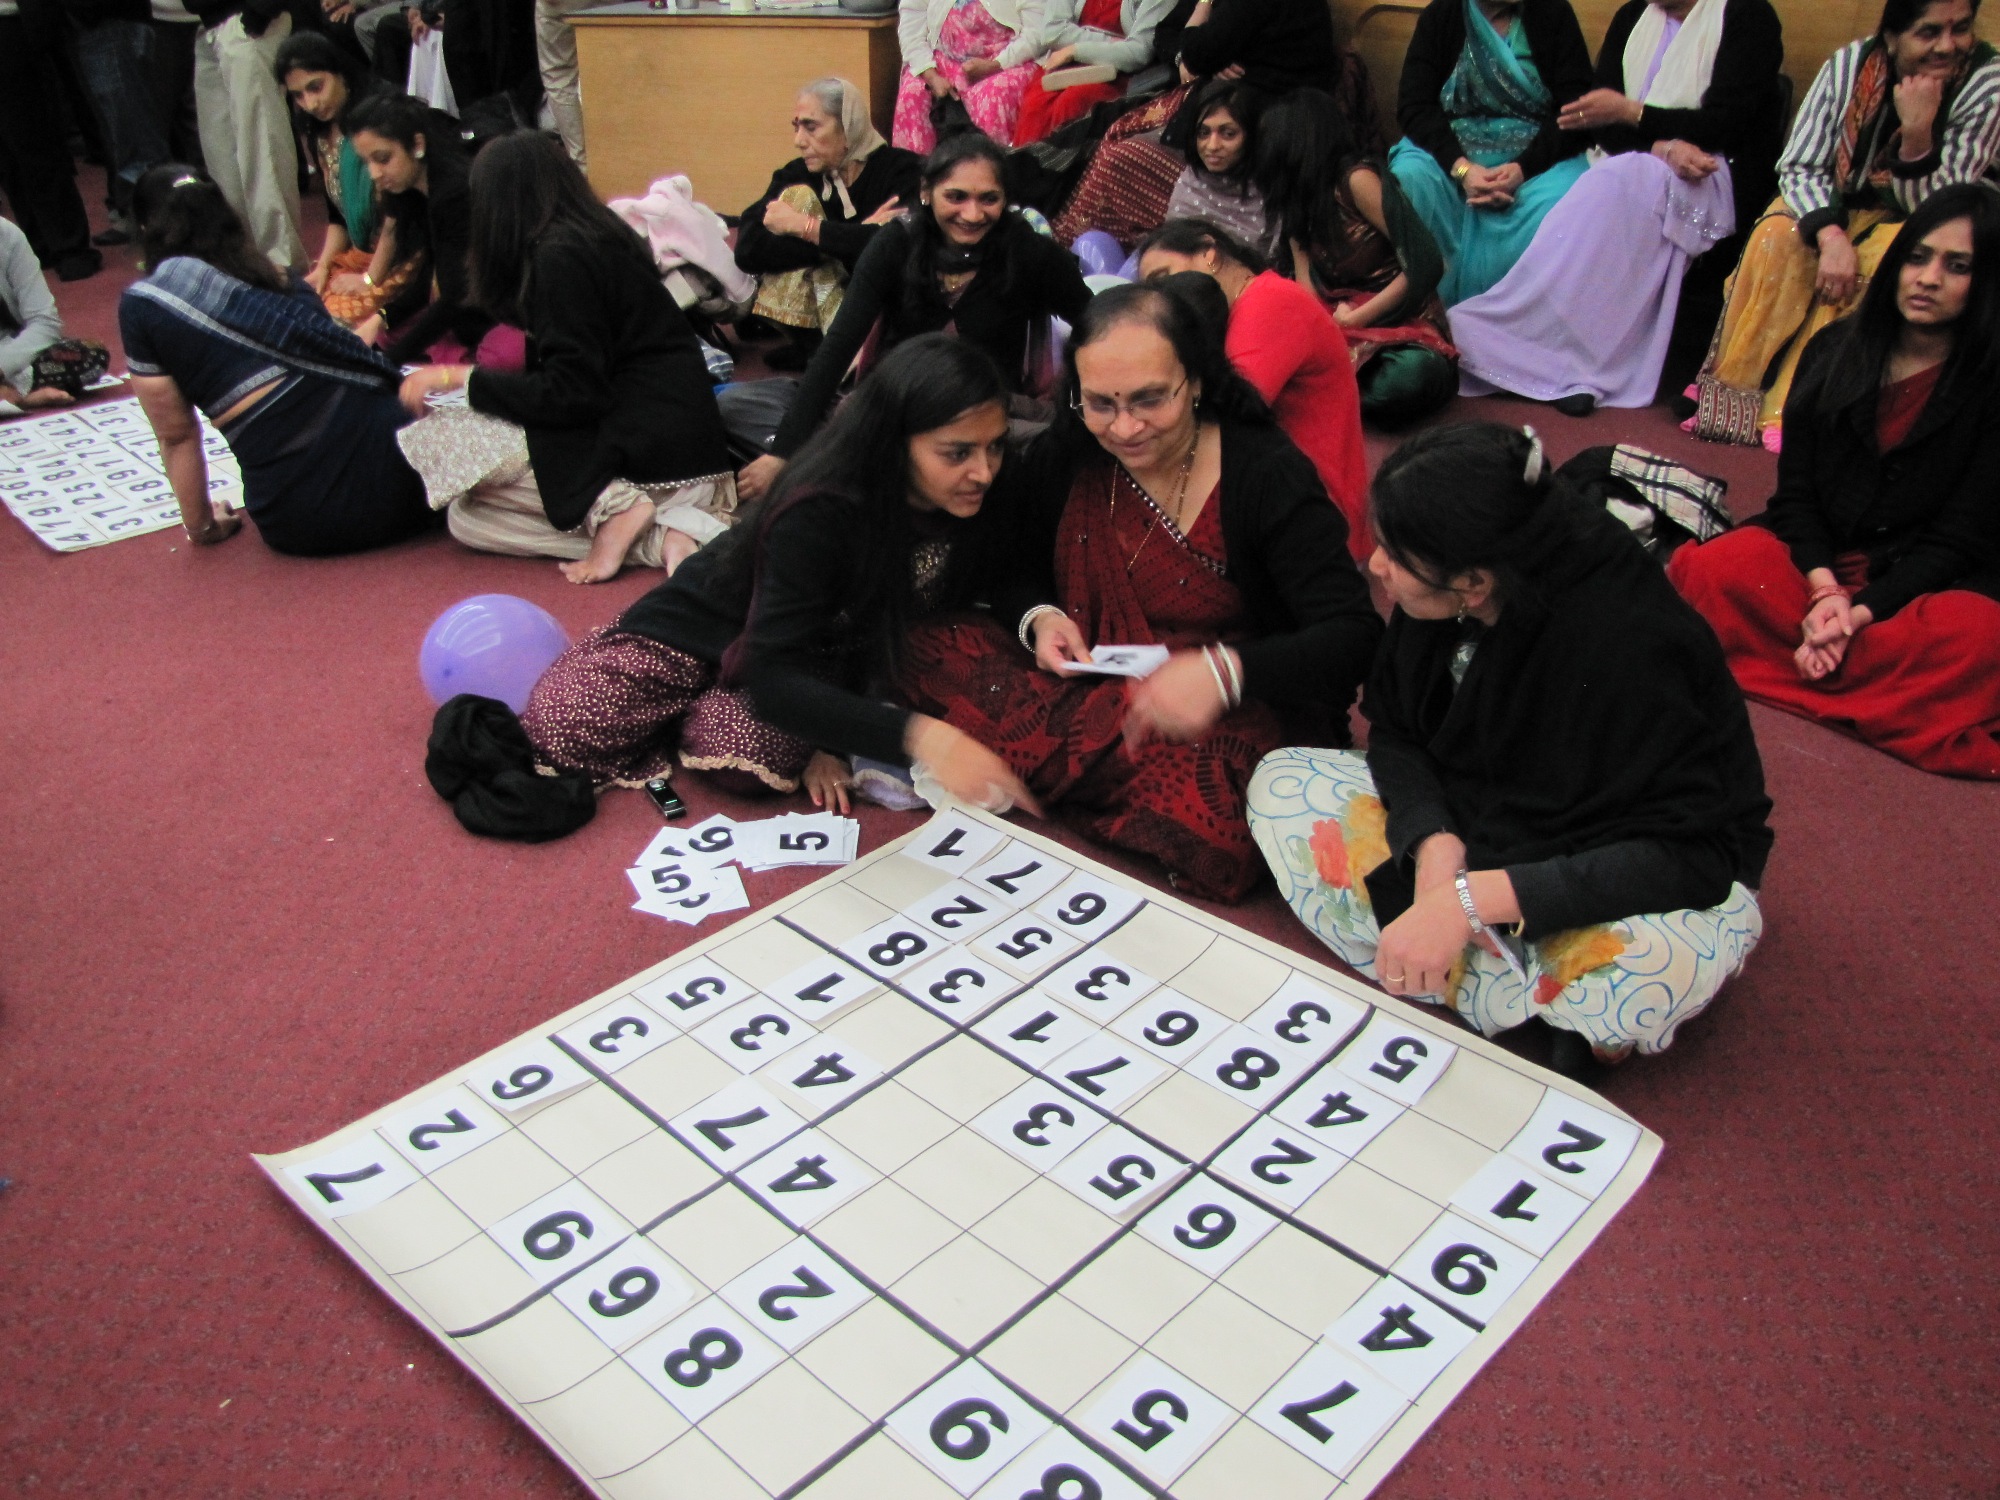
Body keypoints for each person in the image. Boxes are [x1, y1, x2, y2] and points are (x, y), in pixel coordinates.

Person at [1249, 422, 1773, 1073]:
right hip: (1476, 822)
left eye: (1392, 553)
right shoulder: (1446, 598)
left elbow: (1692, 857)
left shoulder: (1631, 645)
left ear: (1473, 583)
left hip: (1610, 857)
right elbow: (1399, 735)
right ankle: (1516, 990)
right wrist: (1434, 846)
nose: (1375, 565)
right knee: (1278, 783)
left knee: (1655, 963)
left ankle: (1470, 966)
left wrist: (1470, 902)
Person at [900, 282, 1381, 899]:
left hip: (1225, 711)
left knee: (1220, 824)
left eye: (1151, 400)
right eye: (1099, 403)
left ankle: (1033, 774)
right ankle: (1068, 777)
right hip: (1089, 681)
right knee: (929, 643)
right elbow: (1010, 567)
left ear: (1198, 380)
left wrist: (1223, 672)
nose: (1124, 427)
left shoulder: (1263, 472)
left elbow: (1354, 634)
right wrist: (1040, 618)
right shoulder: (1069, 453)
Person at [523, 334, 1042, 820]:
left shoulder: (985, 489)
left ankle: (694, 716)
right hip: (704, 629)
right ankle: (681, 706)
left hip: (806, 656)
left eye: (994, 446)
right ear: (894, 442)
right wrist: (923, 738)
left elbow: (1002, 575)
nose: (984, 471)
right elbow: (773, 673)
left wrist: (1041, 618)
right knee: (563, 727)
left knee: (746, 760)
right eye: (958, 452)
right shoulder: (821, 508)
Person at [1670, 186, 2000, 778]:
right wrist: (1825, 592)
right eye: (1918, 256)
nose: (1927, 278)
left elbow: (1960, 538)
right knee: (1714, 569)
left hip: (1920, 583)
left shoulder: (1991, 382)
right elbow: (1795, 497)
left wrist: (1858, 614)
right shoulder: (1833, 351)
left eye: (1958, 266)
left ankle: (1808, 657)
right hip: (1820, 566)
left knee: (1976, 639)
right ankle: (1869, 689)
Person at [398, 132, 735, 584]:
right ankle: (669, 531)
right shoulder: (592, 234)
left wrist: (464, 380)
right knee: (466, 516)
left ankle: (626, 515)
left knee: (461, 481)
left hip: (655, 457)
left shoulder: (559, 258)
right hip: (680, 444)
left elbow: (572, 393)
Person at [1448, 0, 1785, 414]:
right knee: (1614, 180)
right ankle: (1535, 345)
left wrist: (1633, 113)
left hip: (1712, 172)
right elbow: (1601, 122)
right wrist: (1657, 145)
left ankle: (1580, 364)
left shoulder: (1748, 17)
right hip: (1636, 162)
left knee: (1628, 180)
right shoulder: (1632, 17)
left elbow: (1724, 125)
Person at [1691, 0, 2000, 447]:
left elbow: (1944, 204)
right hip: (1840, 208)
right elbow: (1799, 165)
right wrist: (1831, 234)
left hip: (1939, 220)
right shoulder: (1849, 66)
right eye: (1929, 32)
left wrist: (1917, 134)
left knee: (1889, 257)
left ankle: (1812, 409)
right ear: (1892, 38)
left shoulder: (1987, 83)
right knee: (1778, 236)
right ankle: (1737, 395)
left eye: (1960, 29)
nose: (1947, 45)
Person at [732, 133, 1092, 503]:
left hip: (991, 420)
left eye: (989, 199)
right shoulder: (894, 245)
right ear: (926, 192)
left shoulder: (1028, 252)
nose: (972, 214)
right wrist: (782, 454)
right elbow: (839, 346)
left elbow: (1097, 325)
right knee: (746, 418)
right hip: (898, 410)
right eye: (956, 196)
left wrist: (1093, 404)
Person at [119, 164, 436, 554]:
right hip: (412, 482)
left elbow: (176, 435)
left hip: (300, 520)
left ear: (147, 232)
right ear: (227, 220)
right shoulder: (283, 281)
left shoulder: (146, 307)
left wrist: (203, 528)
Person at [1137, 220, 1371, 558]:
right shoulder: (1245, 306)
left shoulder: (1268, 301)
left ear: (1208, 253)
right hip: (1283, 497)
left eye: (1164, 277)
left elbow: (1226, 418)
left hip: (1317, 515)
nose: (1164, 298)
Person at [1255, 89, 1460, 426]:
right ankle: (1323, 388)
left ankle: (1317, 392)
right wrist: (1321, 329)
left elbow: (1424, 264)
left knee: (1411, 378)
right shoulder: (1296, 196)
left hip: (1397, 322)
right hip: (1337, 318)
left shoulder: (1357, 181)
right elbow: (1307, 286)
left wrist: (1356, 321)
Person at [1390, 0, 1595, 305]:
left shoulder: (1553, 13)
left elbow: (1575, 112)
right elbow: (1414, 106)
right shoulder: (1442, 15)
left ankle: (1522, 327)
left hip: (1535, 162)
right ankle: (1429, 317)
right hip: (1452, 156)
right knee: (1410, 177)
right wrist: (1462, 169)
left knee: (1573, 196)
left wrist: (1522, 170)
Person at [733, 78, 923, 369]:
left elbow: (900, 248)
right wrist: (842, 240)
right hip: (822, 308)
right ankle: (821, 350)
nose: (799, 140)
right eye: (796, 127)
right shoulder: (796, 175)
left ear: (848, 127)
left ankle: (845, 356)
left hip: (887, 312)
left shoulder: (900, 170)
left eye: (811, 127)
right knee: (798, 198)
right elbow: (747, 249)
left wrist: (805, 227)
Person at [275, 33, 417, 329]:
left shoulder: (379, 119)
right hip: (362, 255)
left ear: (339, 72)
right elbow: (336, 216)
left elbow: (399, 213)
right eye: (298, 96)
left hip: (405, 253)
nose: (310, 103)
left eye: (316, 87)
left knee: (334, 324)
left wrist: (369, 279)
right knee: (297, 311)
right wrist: (323, 267)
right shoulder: (320, 131)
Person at [343, 90, 489, 362]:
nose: (374, 173)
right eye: (368, 162)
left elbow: (457, 294)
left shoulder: (454, 193)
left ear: (417, 144)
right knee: (383, 331)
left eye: (383, 158)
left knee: (495, 354)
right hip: (465, 305)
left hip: (497, 313)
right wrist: (381, 319)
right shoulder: (416, 191)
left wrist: (390, 362)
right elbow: (430, 273)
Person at [185, 0, 306, 272]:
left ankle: (286, 272)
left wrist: (261, 10)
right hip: (209, 24)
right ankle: (249, 268)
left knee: (262, 151)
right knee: (222, 162)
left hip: (247, 20)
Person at [0, 0, 104, 281]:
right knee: (7, 154)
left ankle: (69, 245)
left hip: (12, 24)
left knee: (34, 139)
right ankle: (37, 243)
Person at [1010, 0, 1178, 147]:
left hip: (1118, 73)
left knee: (1073, 103)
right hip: (1062, 62)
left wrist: (1077, 50)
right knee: (1034, 108)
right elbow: (1052, 32)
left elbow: (1139, 53)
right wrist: (1110, 43)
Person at [892, 0, 1044, 152]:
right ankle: (917, 174)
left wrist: (995, 65)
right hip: (941, 63)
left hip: (1007, 63)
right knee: (912, 93)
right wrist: (931, 75)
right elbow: (911, 27)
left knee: (994, 97)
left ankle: (984, 172)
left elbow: (1036, 33)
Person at [1, 217, 111, 413]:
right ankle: (20, 399)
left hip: (9, 354)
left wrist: (2, 368)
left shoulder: (7, 235)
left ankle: (9, 396)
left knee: (89, 355)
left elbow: (44, 322)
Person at [1159, 79, 1269, 248]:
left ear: (1252, 136)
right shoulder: (1190, 183)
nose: (1212, 146)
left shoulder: (1269, 191)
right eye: (1203, 133)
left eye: (1228, 134)